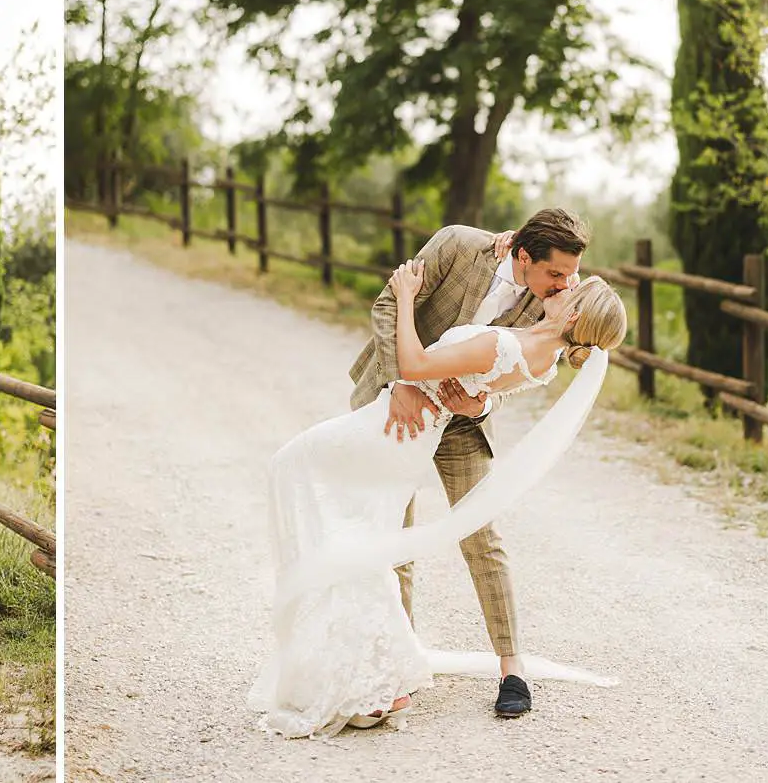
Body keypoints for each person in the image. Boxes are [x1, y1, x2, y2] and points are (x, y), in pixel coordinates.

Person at [247, 251, 626, 739]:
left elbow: (417, 362)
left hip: (398, 428)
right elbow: (493, 375)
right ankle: (381, 671)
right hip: (406, 425)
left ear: (574, 314)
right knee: (363, 532)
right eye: (562, 276)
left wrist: (407, 297)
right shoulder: (546, 356)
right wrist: (481, 393)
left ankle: (386, 677)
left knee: (300, 474)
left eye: (571, 287)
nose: (564, 284)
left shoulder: (511, 343)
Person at [349, 209, 588, 718]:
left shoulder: (554, 298)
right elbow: (390, 303)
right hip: (399, 406)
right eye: (555, 273)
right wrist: (402, 385)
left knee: (482, 535)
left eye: (569, 274)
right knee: (396, 537)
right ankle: (399, 663)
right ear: (523, 256)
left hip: (462, 421)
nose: (565, 284)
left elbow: (517, 376)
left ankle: (512, 667)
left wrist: (478, 406)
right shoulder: (459, 245)